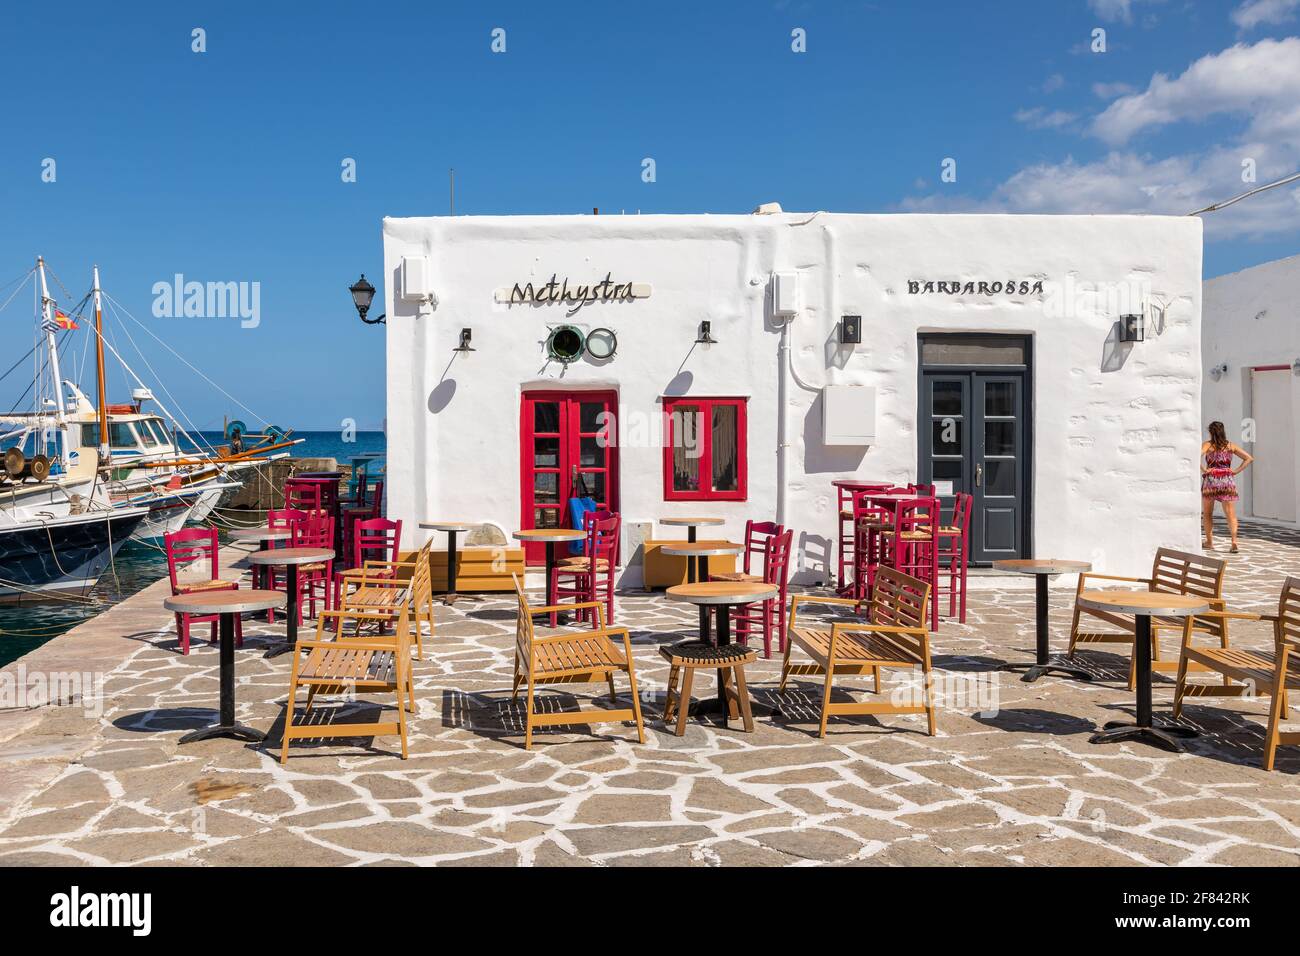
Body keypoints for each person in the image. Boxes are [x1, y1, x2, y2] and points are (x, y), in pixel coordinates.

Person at [1201, 421, 1253, 553]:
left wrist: (1204, 469)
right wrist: (1235, 471)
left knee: (1207, 514)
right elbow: (1249, 458)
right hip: (1227, 481)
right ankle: (1234, 541)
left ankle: (1209, 542)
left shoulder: (1208, 445)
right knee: (1231, 514)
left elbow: (1195, 457)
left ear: (1211, 432)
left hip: (1211, 481)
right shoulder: (1230, 446)